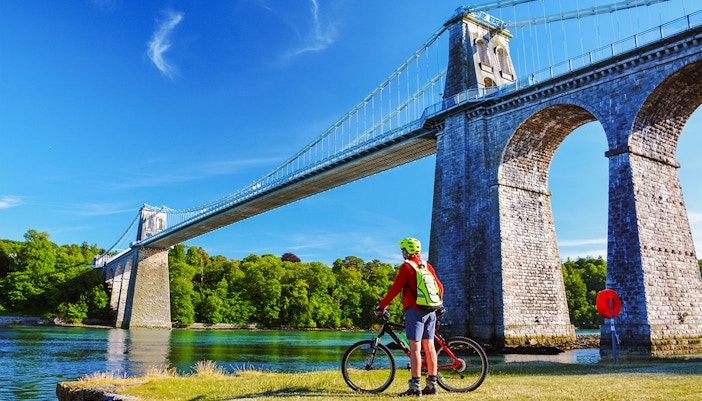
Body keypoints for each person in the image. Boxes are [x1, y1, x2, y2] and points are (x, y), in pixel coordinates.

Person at [375, 237, 444, 397]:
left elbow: (395, 289)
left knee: (415, 348)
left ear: (407, 251)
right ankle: (432, 385)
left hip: (415, 311)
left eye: (403, 250)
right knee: (430, 348)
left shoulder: (407, 267)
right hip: (431, 311)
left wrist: (382, 306)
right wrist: (438, 305)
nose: (402, 252)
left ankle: (415, 387)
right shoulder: (427, 266)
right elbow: (440, 287)